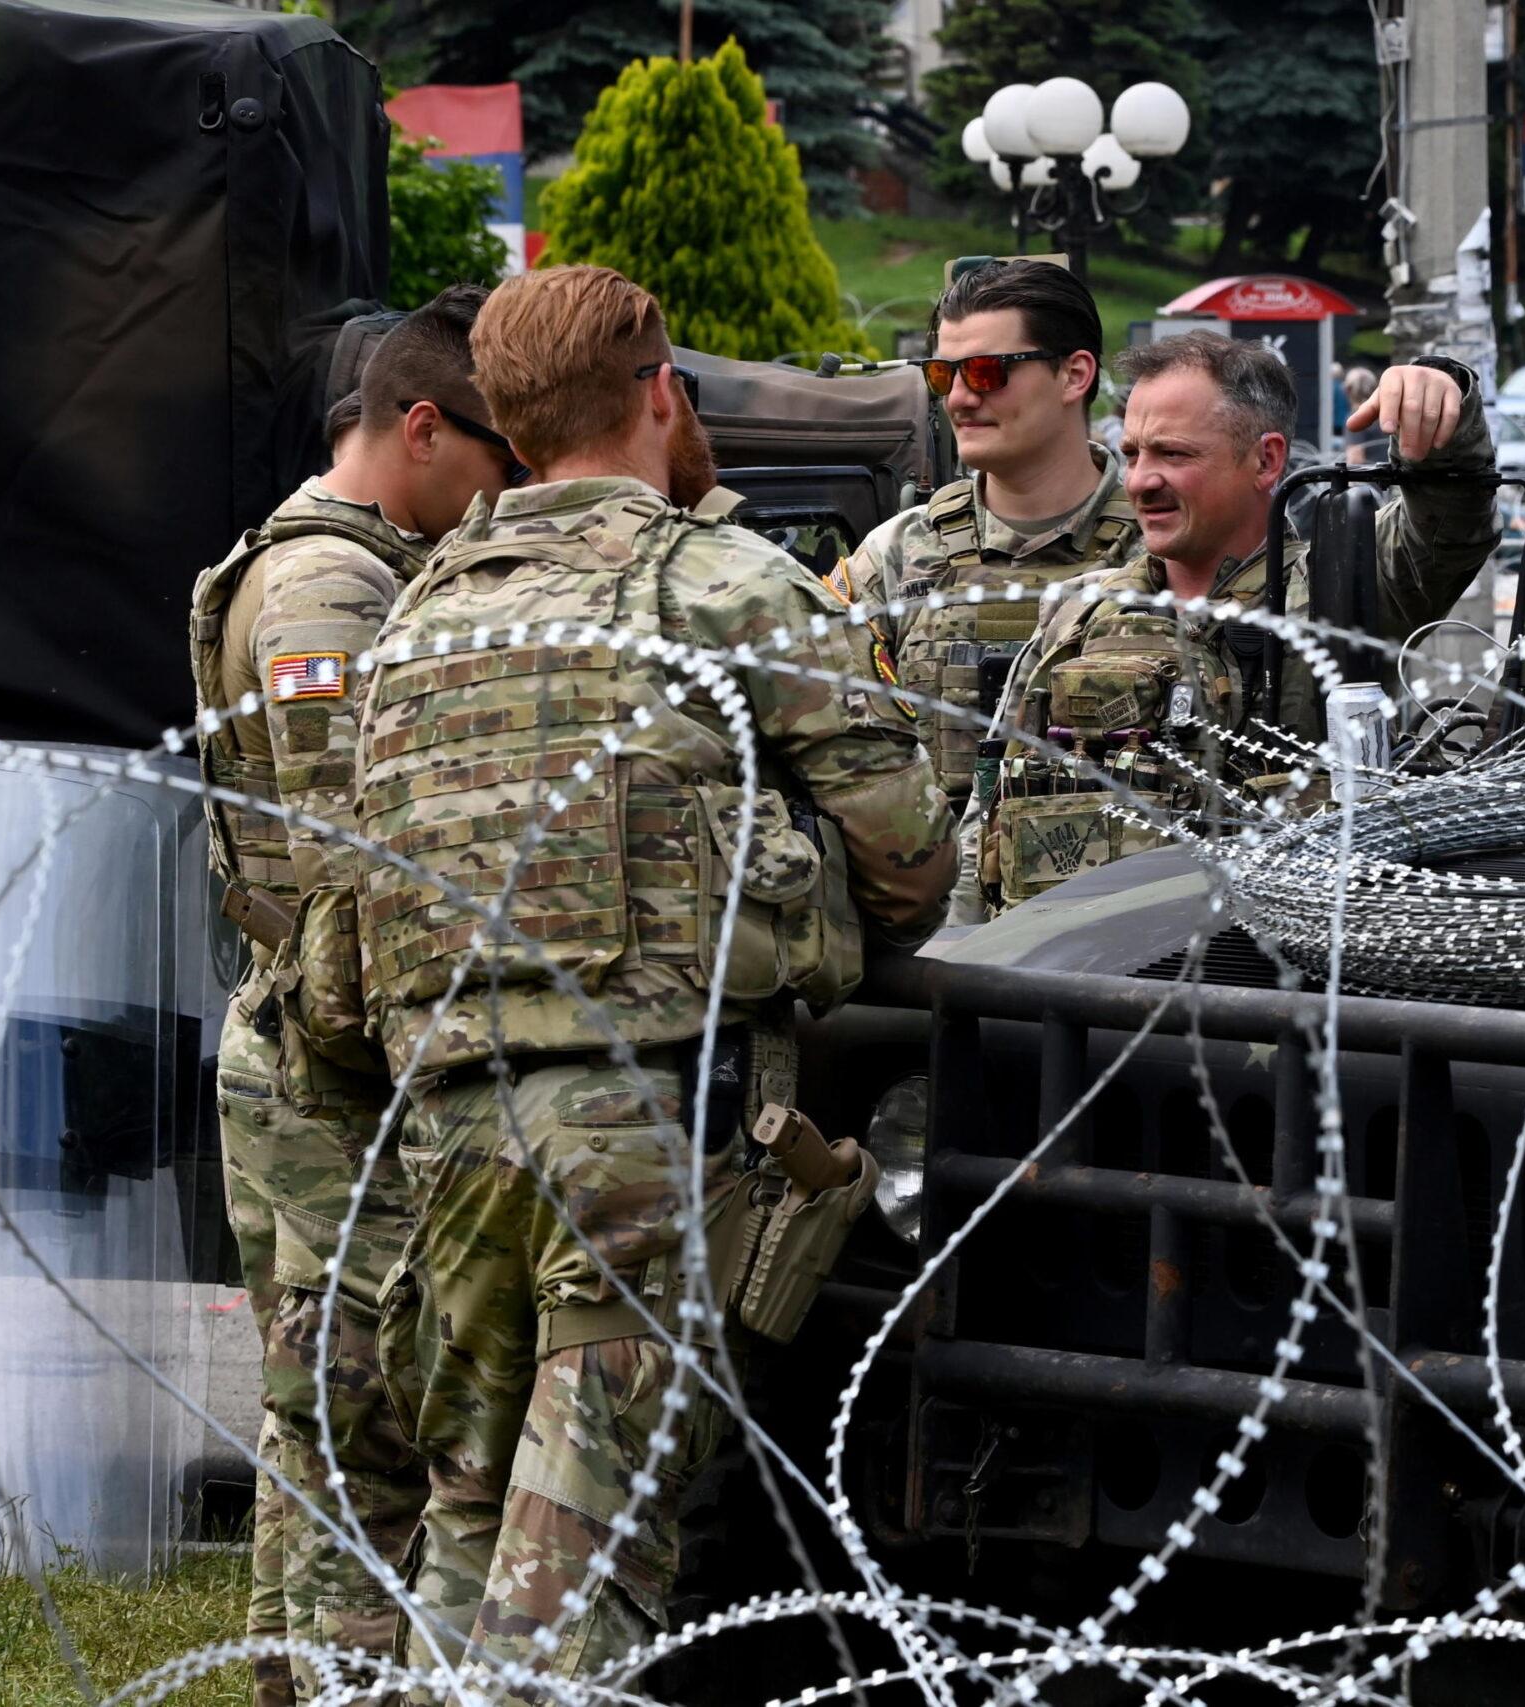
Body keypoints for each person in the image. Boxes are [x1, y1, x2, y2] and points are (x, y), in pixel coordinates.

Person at [352, 264, 954, 1697]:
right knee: (580, 1583)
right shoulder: (717, 582)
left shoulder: (421, 616)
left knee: (469, 1523)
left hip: (443, 1133)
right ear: (658, 393)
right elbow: (912, 856)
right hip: (639, 1135)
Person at [188, 284, 513, 1707]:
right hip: (328, 1059)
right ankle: (340, 1679)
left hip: (311, 1044)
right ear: (425, 426)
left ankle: (296, 1676)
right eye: (498, 461)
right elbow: (350, 856)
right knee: (361, 1403)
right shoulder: (334, 585)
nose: (505, 498)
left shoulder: (360, 565)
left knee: (318, 1409)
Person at [984, 331, 1498, 908]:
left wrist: (1442, 401)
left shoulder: (1343, 591)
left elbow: (1451, 528)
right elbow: (997, 811)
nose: (1140, 481)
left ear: (1266, 460)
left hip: (1260, 976)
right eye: (1132, 453)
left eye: (1173, 454)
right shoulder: (1082, 613)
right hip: (1084, 971)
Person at [833, 260, 1142, 809]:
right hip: (942, 886)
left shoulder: (1160, 548)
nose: (958, 398)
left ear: (1075, 375)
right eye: (942, 374)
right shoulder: (898, 556)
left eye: (985, 372)